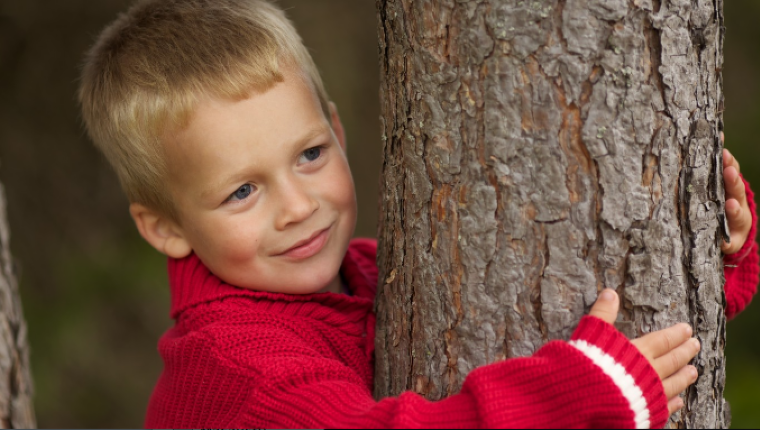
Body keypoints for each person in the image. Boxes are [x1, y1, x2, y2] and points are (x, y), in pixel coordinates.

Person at [77, 0, 758, 427]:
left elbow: (640, 347)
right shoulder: (237, 369)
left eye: (309, 154)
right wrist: (574, 400)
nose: (297, 206)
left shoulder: (375, 274)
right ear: (164, 226)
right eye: (241, 192)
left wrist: (702, 254)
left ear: (337, 132)